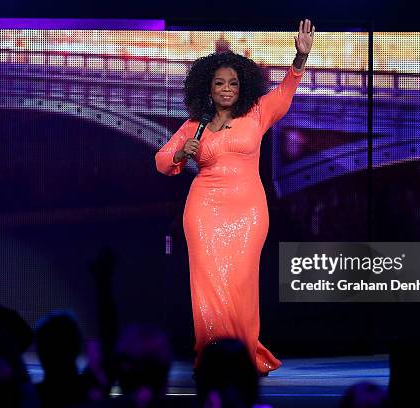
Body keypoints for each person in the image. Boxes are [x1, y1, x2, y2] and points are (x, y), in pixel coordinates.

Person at [155, 19, 315, 376]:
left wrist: (300, 58)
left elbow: (285, 93)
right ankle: (211, 356)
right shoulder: (194, 124)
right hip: (204, 212)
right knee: (208, 285)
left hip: (247, 212)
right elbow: (162, 162)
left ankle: (242, 355)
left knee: (241, 284)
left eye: (233, 83)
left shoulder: (257, 114)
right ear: (207, 89)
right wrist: (183, 154)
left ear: (241, 88)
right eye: (219, 84)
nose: (226, 89)